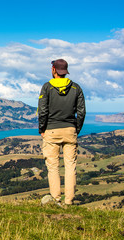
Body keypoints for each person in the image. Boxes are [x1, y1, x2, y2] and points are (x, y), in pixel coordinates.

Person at [38, 59, 86, 205]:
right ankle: (69, 201)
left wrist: (42, 128)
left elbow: (42, 111)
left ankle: (56, 199)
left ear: (54, 70)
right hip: (70, 130)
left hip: (51, 131)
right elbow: (81, 112)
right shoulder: (76, 88)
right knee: (70, 166)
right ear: (65, 71)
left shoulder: (47, 87)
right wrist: (76, 129)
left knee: (53, 167)